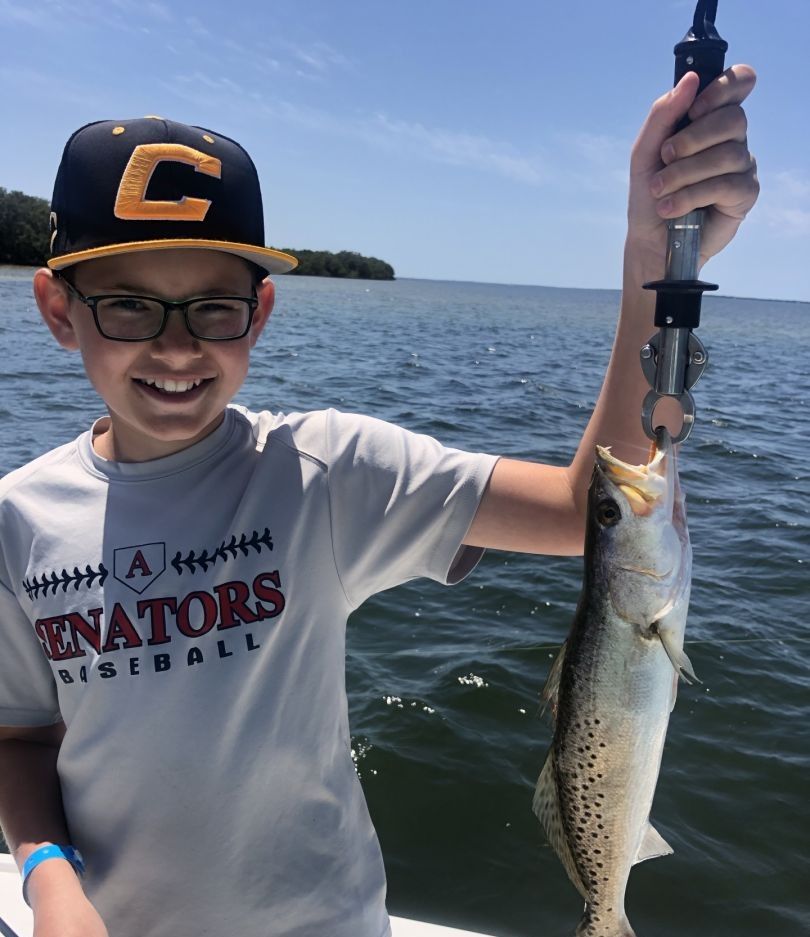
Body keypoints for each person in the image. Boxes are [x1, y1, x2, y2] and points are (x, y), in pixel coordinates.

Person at [0, 65, 758, 937]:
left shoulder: (325, 471)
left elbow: (576, 509)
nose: (176, 349)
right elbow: (18, 739)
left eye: (215, 308)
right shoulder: (18, 520)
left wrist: (651, 255)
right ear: (59, 310)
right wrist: (49, 877)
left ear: (262, 310)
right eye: (128, 307)